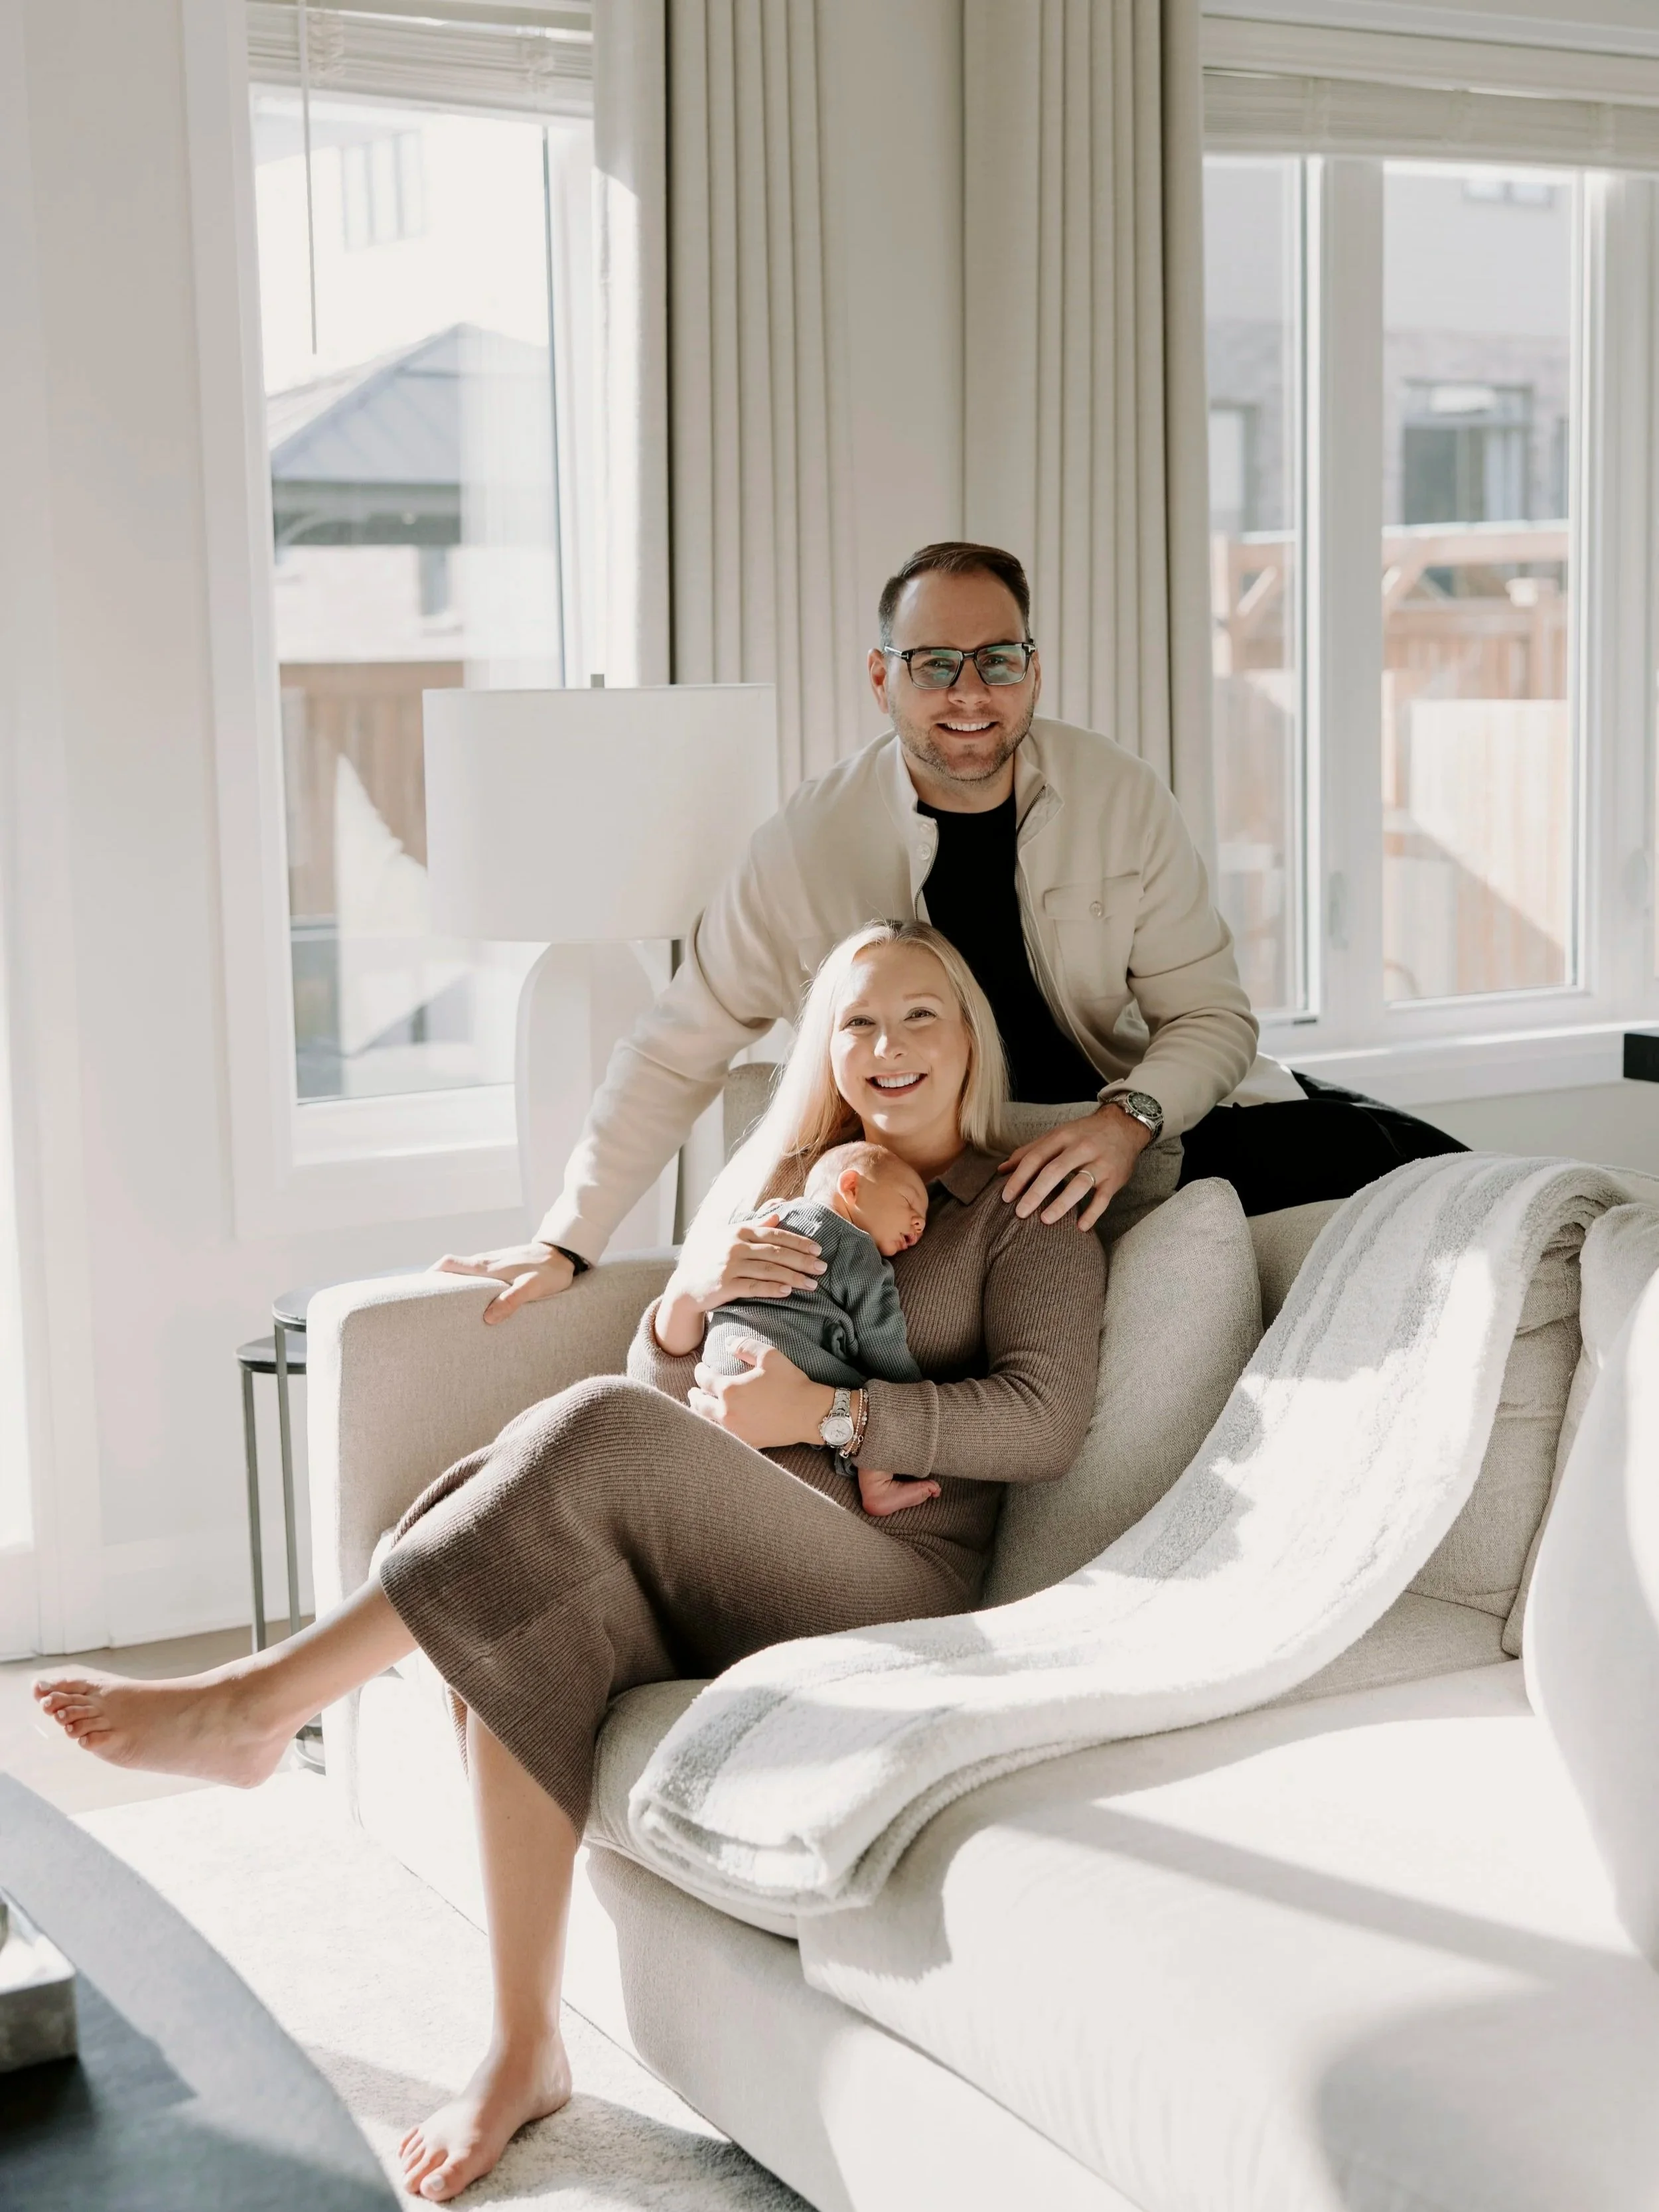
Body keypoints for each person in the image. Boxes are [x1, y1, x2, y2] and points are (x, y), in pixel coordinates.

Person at [33, 921, 1104, 2204]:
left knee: (583, 1427)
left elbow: (1043, 1417)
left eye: (921, 1016)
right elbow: (674, 1391)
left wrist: (833, 1418)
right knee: (525, 1591)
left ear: (972, 1037)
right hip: (721, 1544)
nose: (887, 1047)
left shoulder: (1024, 1204)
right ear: (826, 1047)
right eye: (858, 1021)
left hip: (885, 1574)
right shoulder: (787, 1179)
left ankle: (263, 1700)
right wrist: (688, 1302)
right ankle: (523, 2046)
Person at [440, 540, 1459, 1325]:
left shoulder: (1116, 792)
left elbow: (1211, 1017)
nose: (970, 693)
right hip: (973, 1169)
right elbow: (676, 1049)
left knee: (1419, 1159)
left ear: (1034, 671)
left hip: (1140, 1132)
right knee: (1387, 1156)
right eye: (935, 664)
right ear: (881, 678)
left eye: (998, 659)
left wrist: (1128, 1120)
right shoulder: (807, 844)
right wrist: (566, 1240)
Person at [703, 1138, 938, 1520]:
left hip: (722, 1353)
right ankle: (876, 1485)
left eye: (923, 1216)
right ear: (851, 1187)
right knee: (872, 1397)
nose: (920, 1221)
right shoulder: (855, 1248)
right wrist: (906, 1393)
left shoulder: (771, 1216)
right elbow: (882, 1335)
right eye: (909, 1202)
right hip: (784, 1354)